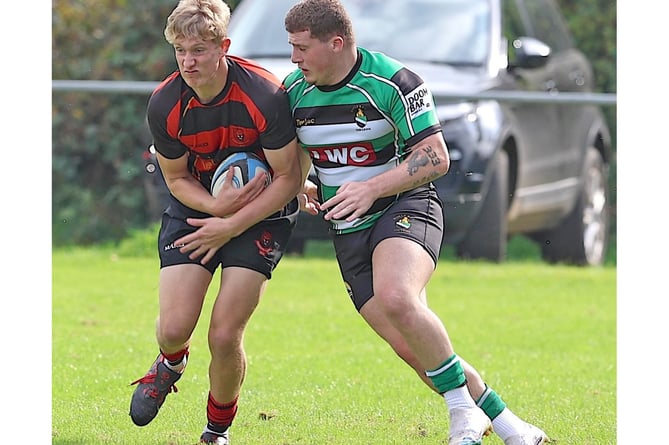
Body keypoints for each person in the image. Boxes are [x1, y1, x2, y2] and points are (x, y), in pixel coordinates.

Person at [283, 1, 549, 444]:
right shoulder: (294, 92)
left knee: (397, 297)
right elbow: (294, 160)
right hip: (347, 232)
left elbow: (436, 157)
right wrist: (301, 185)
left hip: (404, 207)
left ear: (336, 43)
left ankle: (463, 412)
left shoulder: (393, 82)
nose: (294, 58)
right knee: (417, 351)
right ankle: (510, 426)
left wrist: (372, 188)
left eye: (301, 48)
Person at [128, 0, 302, 444]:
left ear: (223, 46)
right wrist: (217, 210)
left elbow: (289, 178)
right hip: (198, 211)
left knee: (225, 333)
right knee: (172, 329)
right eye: (180, 51)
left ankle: (216, 431)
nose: (189, 61)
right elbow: (176, 178)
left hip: (264, 215)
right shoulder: (166, 102)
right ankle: (170, 363)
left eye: (200, 51)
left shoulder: (265, 94)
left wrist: (234, 221)